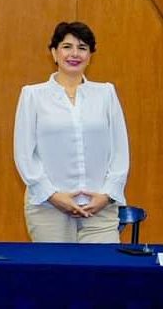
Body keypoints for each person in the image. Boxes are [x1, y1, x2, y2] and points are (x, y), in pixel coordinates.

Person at [14, 21, 129, 243]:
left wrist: (106, 195)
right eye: (67, 47)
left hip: (100, 207)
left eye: (82, 48)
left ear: (90, 55)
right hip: (48, 207)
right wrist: (54, 196)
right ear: (54, 53)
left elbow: (120, 151)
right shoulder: (32, 95)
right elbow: (24, 154)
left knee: (103, 274)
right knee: (58, 276)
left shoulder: (105, 93)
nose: (74, 54)